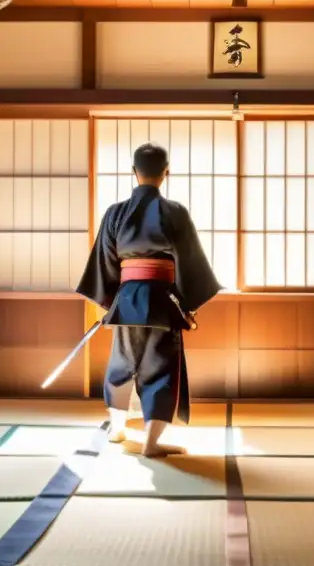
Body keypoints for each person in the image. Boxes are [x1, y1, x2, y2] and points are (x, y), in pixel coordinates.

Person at [76, 143, 222, 457]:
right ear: (166, 173)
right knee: (161, 367)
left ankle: (117, 430)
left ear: (134, 171)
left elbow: (105, 262)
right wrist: (187, 305)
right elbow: (190, 262)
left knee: (121, 363)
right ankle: (151, 443)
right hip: (163, 300)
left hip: (126, 299)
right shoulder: (175, 212)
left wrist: (111, 304)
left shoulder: (116, 213)